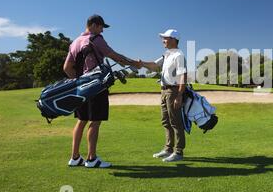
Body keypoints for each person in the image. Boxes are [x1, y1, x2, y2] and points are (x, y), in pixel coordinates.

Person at [63, 14, 143, 168]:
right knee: (95, 122)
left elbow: (66, 68)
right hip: (96, 87)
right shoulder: (96, 39)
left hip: (81, 89)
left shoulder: (74, 43)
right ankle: (91, 159)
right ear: (93, 25)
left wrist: (80, 82)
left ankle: (75, 157)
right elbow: (114, 56)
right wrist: (134, 63)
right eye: (100, 27)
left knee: (81, 121)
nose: (102, 31)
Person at [141, 29, 187, 162]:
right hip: (163, 90)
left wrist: (179, 96)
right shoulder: (167, 54)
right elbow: (155, 65)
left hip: (173, 91)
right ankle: (168, 149)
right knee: (166, 121)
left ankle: (178, 152)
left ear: (173, 39)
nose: (163, 40)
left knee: (176, 122)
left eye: (165, 38)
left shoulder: (179, 55)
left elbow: (183, 76)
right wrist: (141, 63)